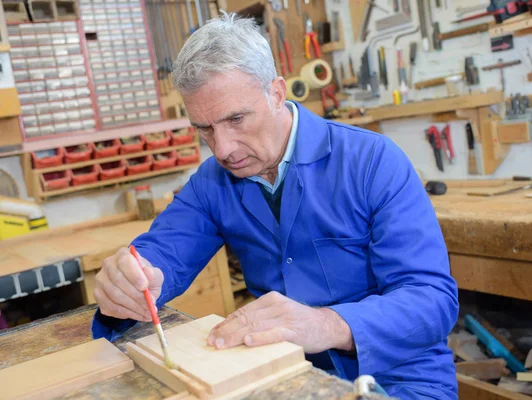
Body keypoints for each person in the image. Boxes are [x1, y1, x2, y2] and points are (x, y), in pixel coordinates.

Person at [91, 12, 459, 400]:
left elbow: (431, 299)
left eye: (236, 119)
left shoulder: (372, 161)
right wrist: (133, 279)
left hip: (399, 378)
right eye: (205, 129)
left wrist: (327, 324)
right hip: (285, 375)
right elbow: (161, 252)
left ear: (277, 93)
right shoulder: (212, 182)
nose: (223, 149)